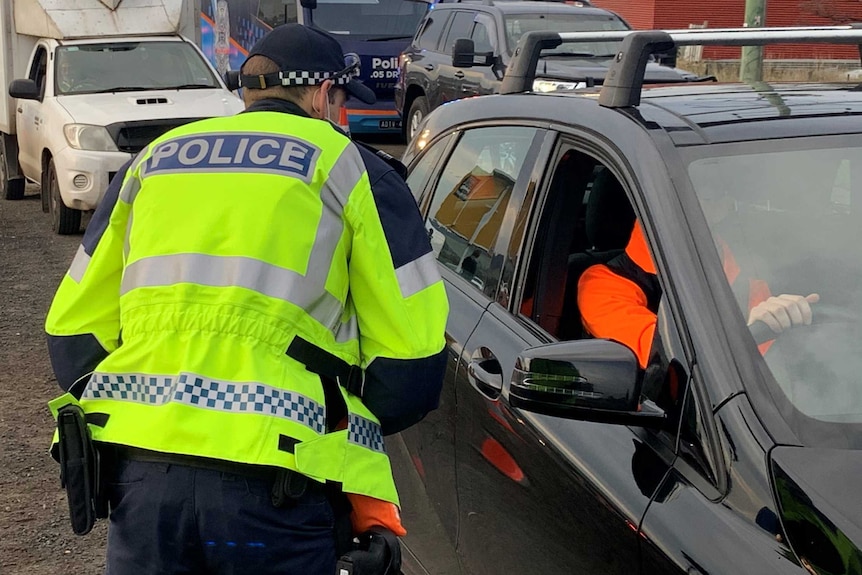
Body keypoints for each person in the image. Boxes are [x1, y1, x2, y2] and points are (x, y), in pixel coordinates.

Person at [45, 23, 448, 575]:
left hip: (142, 481)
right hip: (276, 485)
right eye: (342, 103)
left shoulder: (154, 160)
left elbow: (73, 334)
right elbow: (411, 367)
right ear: (325, 95)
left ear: (249, 92)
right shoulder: (352, 169)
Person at [578, 221, 819, 369]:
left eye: (715, 193)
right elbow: (668, 361)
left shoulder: (749, 284)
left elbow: (774, 371)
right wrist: (749, 332)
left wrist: (794, 323)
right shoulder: (602, 283)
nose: (705, 203)